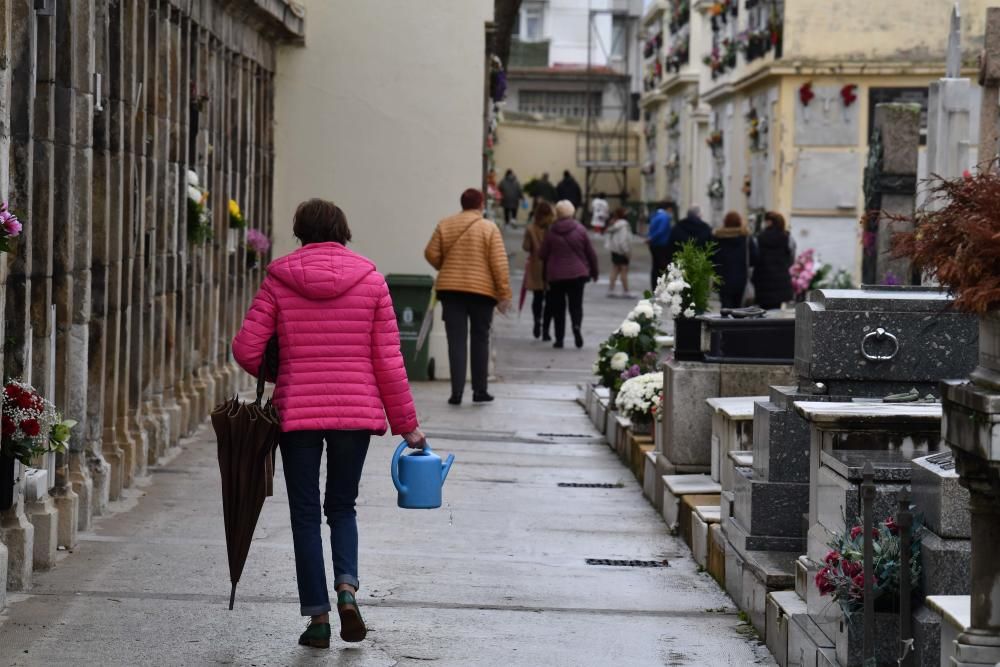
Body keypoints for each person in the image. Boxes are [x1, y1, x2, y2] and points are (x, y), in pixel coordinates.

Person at [232, 198, 427, 649]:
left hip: (297, 412)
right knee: (341, 507)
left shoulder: (279, 280)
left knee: (304, 515)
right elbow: (388, 362)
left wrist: (287, 370)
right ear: (343, 231)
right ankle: (347, 590)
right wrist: (407, 426)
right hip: (354, 414)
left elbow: (246, 349)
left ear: (299, 232)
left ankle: (318, 619)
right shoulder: (372, 281)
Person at [425, 188, 512, 405]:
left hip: (451, 291)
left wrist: (446, 267)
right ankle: (479, 390)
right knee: (480, 339)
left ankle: (456, 393)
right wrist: (504, 294)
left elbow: (430, 253)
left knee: (456, 341)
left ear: (462, 203)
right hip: (482, 293)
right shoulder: (489, 228)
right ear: (481, 204)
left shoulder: (446, 224)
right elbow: (499, 264)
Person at [539, 200, 599, 349]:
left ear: (557, 214)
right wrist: (594, 271)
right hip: (577, 274)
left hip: (556, 276)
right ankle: (576, 326)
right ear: (572, 212)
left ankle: (559, 339)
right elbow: (591, 253)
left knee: (558, 308)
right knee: (576, 306)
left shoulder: (551, 231)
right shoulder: (580, 230)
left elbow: (542, 254)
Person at [522, 201, 555, 340]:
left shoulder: (530, 229)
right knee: (550, 300)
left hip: (536, 266)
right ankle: (546, 330)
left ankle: (537, 321)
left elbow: (526, 247)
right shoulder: (553, 229)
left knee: (537, 297)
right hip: (552, 267)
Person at [713, 211, 757, 309]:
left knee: (725, 306)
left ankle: (726, 323)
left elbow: (713, 258)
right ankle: (736, 323)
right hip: (741, 279)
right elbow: (754, 257)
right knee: (739, 307)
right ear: (739, 222)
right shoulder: (746, 238)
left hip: (722, 279)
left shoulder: (717, 238)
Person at [752, 210, 794, 310]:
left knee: (763, 310)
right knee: (776, 309)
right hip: (780, 279)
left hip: (762, 279)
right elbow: (791, 257)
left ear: (769, 222)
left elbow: (755, 257)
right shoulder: (787, 237)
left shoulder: (759, 237)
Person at [604, 207, 633, 298]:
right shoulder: (624, 226)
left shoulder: (614, 225)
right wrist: (626, 252)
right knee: (624, 270)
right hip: (621, 251)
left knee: (615, 269)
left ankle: (611, 289)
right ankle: (626, 291)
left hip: (614, 250)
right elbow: (623, 240)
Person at [646, 201, 673, 289]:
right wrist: (652, 238)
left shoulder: (655, 215)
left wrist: (650, 238)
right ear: (668, 208)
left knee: (655, 266)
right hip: (662, 245)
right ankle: (662, 286)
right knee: (663, 266)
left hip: (653, 245)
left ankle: (654, 286)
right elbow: (661, 231)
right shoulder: (665, 217)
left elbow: (651, 228)